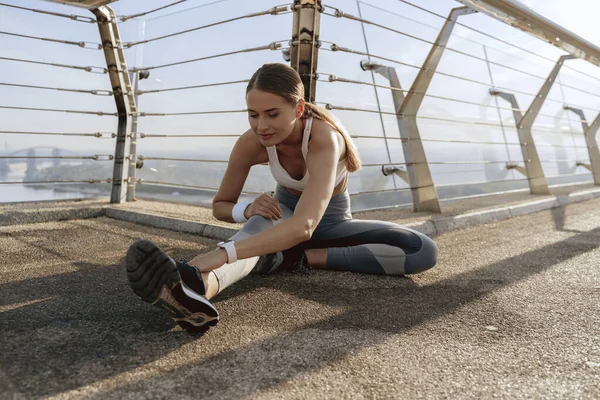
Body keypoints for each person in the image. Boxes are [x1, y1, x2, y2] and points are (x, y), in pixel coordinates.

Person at [125, 63, 438, 334]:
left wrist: (221, 253)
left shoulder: (323, 139)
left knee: (422, 250)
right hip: (282, 213)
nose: (262, 126)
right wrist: (246, 209)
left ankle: (290, 258)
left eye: (272, 114)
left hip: (329, 223)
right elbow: (220, 206)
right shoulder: (251, 143)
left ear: (298, 109)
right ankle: (195, 292)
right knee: (256, 231)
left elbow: (306, 226)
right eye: (253, 115)